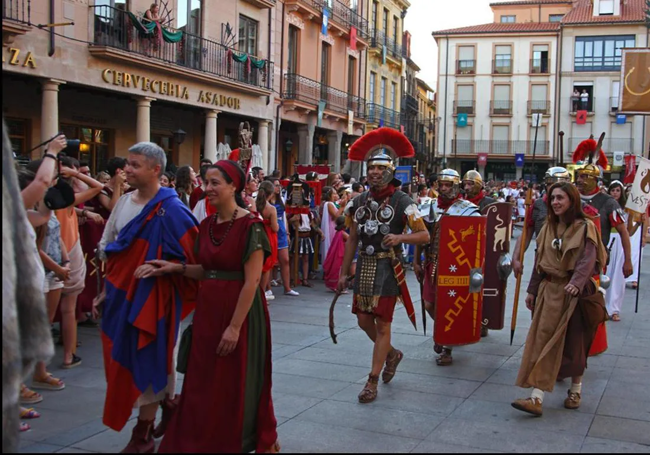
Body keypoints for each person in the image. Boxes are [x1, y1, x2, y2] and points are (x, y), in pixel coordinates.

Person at [149, 160, 280, 453]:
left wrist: (234, 328)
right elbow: (206, 270)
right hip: (208, 311)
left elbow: (252, 281)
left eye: (214, 183)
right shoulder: (207, 225)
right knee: (203, 379)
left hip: (241, 314)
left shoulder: (252, 226)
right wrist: (174, 268)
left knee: (234, 381)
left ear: (233, 186)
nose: (206, 189)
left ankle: (235, 438)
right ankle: (200, 437)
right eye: (205, 182)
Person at [93, 142, 199, 452]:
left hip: (157, 302)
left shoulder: (174, 209)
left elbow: (195, 261)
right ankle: (169, 403)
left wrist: (169, 268)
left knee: (151, 360)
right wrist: (104, 290)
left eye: (135, 165)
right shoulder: (124, 202)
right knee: (120, 361)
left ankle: (142, 435)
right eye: (128, 163)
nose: (127, 170)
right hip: (119, 296)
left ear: (155, 170)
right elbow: (108, 245)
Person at [337, 128, 429, 403]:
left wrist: (401, 237)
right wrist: (343, 273)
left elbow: (423, 234)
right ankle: (391, 354)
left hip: (388, 268)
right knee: (363, 320)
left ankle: (372, 380)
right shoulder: (358, 202)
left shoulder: (403, 201)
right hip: (364, 267)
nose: (375, 173)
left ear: (390, 171)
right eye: (371, 168)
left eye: (380, 168)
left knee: (384, 325)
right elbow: (352, 238)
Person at [511, 183, 607, 416]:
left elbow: (588, 258)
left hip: (575, 294)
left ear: (572, 200)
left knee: (575, 344)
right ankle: (536, 397)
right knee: (542, 342)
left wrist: (576, 283)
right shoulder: (547, 229)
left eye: (560, 198)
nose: (555, 202)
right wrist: (532, 290)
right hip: (549, 291)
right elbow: (539, 261)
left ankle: (575, 390)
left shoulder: (585, 227)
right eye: (552, 198)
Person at [414, 169, 482, 365]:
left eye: (448, 185)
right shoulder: (428, 206)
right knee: (429, 304)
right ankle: (443, 331)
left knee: (448, 306)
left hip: (455, 267)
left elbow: (475, 242)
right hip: (432, 263)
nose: (444, 189)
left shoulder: (468, 210)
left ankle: (447, 347)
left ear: (456, 186)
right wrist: (416, 261)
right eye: (441, 185)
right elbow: (421, 235)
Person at [55, 156, 104, 368]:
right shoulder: (63, 198)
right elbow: (98, 186)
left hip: (49, 254)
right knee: (68, 308)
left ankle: (38, 367)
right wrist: (75, 173)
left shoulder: (44, 197)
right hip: (67, 253)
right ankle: (68, 355)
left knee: (43, 314)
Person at [77, 157, 127, 317]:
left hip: (117, 233)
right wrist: (118, 186)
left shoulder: (127, 188)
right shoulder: (104, 190)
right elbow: (114, 208)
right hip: (98, 235)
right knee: (97, 271)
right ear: (119, 172)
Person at [512, 167, 572, 278]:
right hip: (542, 260)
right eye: (550, 184)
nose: (553, 188)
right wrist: (516, 258)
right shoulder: (538, 205)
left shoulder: (577, 206)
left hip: (569, 262)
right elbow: (526, 233)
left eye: (557, 185)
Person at [605, 181, 644, 321]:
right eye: (612, 190)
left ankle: (614, 309)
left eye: (617, 190)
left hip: (620, 244)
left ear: (621, 193)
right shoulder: (605, 206)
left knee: (618, 278)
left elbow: (629, 232)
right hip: (607, 242)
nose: (614, 193)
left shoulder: (627, 210)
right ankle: (601, 308)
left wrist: (639, 223)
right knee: (605, 275)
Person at [269, 178, 299, 296]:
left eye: (279, 185)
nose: (278, 187)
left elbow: (284, 217)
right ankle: (268, 288)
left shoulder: (281, 199)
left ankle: (287, 288)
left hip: (281, 230)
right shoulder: (265, 201)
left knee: (285, 260)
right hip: (271, 230)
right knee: (270, 262)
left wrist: (287, 233)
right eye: (276, 185)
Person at [257, 180, 279, 302]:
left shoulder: (254, 205)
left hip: (257, 236)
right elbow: (275, 227)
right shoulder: (271, 209)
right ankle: (261, 295)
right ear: (270, 194)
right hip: (269, 237)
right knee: (266, 268)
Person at [320, 186, 345, 268]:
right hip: (331, 227)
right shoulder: (329, 204)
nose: (336, 195)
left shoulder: (332, 203)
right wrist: (342, 207)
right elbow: (336, 216)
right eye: (334, 193)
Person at [324, 216, 349, 292]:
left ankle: (336, 286)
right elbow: (350, 239)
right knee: (339, 271)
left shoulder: (338, 232)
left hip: (337, 254)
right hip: (339, 255)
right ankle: (338, 287)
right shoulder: (343, 233)